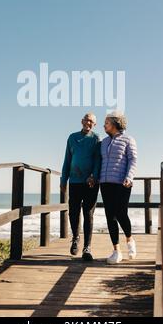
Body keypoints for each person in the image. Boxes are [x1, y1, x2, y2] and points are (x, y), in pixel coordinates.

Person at [60, 113, 101, 261]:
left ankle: (87, 247)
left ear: (94, 124)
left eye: (91, 121)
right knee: (73, 212)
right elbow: (67, 159)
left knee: (88, 214)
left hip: (90, 183)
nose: (88, 123)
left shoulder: (96, 138)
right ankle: (76, 238)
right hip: (75, 181)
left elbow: (98, 160)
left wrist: (94, 176)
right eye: (86, 120)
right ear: (82, 121)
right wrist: (63, 179)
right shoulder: (72, 137)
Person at [100, 111, 137, 264]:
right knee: (110, 216)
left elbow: (133, 160)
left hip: (122, 183)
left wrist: (129, 177)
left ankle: (130, 240)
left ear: (115, 123)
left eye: (106, 122)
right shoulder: (103, 142)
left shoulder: (128, 140)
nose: (104, 125)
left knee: (121, 213)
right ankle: (116, 251)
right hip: (105, 182)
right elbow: (99, 161)